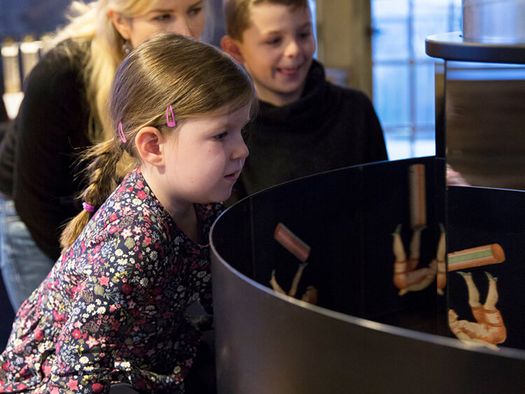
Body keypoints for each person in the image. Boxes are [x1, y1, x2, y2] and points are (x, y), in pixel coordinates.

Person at [0, 33, 254, 393]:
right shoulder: (135, 241)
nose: (241, 149)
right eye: (220, 135)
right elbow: (74, 378)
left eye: (241, 131)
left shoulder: (203, 203)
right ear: (152, 146)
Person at [0, 0, 209, 311]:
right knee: (56, 347)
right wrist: (91, 279)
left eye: (194, 10)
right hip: (40, 217)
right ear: (121, 22)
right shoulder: (61, 73)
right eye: (162, 16)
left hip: (115, 217)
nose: (185, 30)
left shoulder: (184, 62)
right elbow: (36, 205)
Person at [220, 0, 388, 203]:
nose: (294, 50)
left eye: (304, 34)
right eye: (274, 40)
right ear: (235, 50)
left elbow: (383, 202)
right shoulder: (228, 129)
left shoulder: (356, 110)